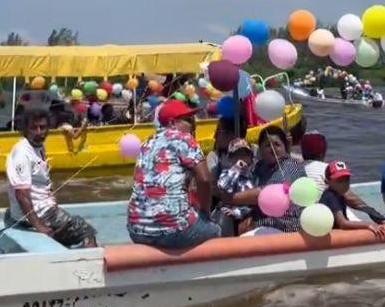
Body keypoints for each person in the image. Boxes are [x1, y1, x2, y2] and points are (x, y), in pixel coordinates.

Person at [128, 99, 219, 248]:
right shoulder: (184, 138)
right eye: (188, 120)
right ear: (172, 123)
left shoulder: (147, 143)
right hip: (173, 231)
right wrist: (206, 213)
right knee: (215, 229)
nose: (192, 124)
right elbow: (204, 179)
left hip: (136, 231)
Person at [5, 110, 97, 248]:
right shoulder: (22, 154)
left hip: (43, 208)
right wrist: (38, 225)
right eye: (33, 128)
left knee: (65, 235)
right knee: (85, 230)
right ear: (25, 129)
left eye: (42, 127)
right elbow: (21, 194)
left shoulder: (38, 146)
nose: (39, 132)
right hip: (40, 214)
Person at [226, 125, 307, 235]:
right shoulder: (260, 166)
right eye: (268, 145)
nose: (273, 149)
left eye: (277, 144)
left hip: (287, 225)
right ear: (260, 149)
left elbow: (265, 193)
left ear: (284, 147)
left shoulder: (291, 166)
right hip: (262, 221)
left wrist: (230, 198)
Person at [300, 131, 385, 222]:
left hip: (303, 219)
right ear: (323, 152)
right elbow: (349, 197)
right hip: (324, 219)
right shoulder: (326, 170)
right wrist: (371, 211)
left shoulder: (295, 170)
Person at [320, 160, 385, 238]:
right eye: (340, 181)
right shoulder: (330, 196)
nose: (344, 184)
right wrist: (368, 224)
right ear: (327, 181)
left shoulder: (339, 194)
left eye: (346, 180)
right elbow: (343, 223)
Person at [214, 139, 257, 227]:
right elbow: (222, 186)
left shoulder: (254, 177)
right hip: (226, 215)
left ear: (251, 158)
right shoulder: (226, 173)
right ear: (230, 158)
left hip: (245, 215)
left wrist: (237, 212)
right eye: (237, 155)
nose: (241, 157)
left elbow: (252, 203)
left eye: (245, 155)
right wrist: (236, 169)